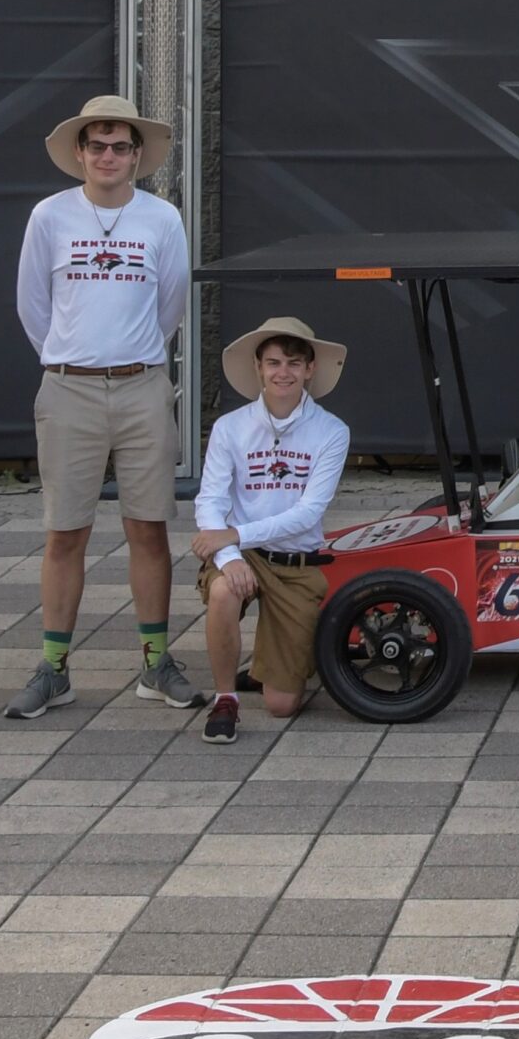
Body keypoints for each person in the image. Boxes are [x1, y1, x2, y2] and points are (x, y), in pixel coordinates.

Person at [7, 95, 200, 718]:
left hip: (142, 384)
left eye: (121, 147)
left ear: (138, 156)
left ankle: (155, 662)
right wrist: (73, 357)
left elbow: (170, 304)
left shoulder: (162, 218)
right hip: (69, 387)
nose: (109, 156)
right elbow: (33, 306)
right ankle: (55, 667)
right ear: (80, 153)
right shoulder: (49, 215)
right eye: (98, 146)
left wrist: (130, 357)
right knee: (66, 531)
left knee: (148, 528)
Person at [190, 317, 351, 745]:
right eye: (274, 362)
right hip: (245, 556)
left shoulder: (332, 431)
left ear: (310, 369)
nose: (284, 372)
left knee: (281, 706)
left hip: (296, 560)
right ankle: (225, 698)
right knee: (224, 590)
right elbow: (209, 501)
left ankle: (274, 666)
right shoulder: (230, 426)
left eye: (294, 363)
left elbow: (308, 512)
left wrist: (235, 536)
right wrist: (230, 556)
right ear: (258, 368)